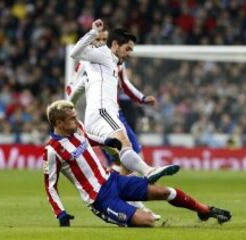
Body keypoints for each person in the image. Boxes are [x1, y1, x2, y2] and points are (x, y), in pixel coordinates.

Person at [43, 100, 231, 227]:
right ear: (59, 123)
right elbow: (50, 186)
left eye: (76, 117)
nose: (77, 121)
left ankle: (205, 210)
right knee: (148, 221)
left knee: (164, 191)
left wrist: (106, 141)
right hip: (100, 199)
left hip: (113, 180)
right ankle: (126, 213)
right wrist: (61, 213)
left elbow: (88, 138)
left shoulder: (78, 129)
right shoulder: (52, 150)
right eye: (72, 118)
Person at [66, 27, 160, 219]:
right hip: (96, 116)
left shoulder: (115, 61)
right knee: (124, 154)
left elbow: (124, 84)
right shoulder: (88, 61)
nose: (101, 42)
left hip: (114, 113)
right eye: (98, 38)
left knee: (126, 156)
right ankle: (131, 199)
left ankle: (130, 200)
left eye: (103, 39)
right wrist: (67, 111)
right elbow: (73, 87)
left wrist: (141, 98)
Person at [69, 19, 177, 183]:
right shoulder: (103, 54)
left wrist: (68, 104)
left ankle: (127, 197)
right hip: (103, 113)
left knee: (120, 157)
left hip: (101, 115)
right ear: (114, 45)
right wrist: (93, 32)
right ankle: (149, 171)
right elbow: (74, 53)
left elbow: (79, 88)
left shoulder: (112, 64)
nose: (129, 53)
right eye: (127, 49)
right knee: (125, 143)